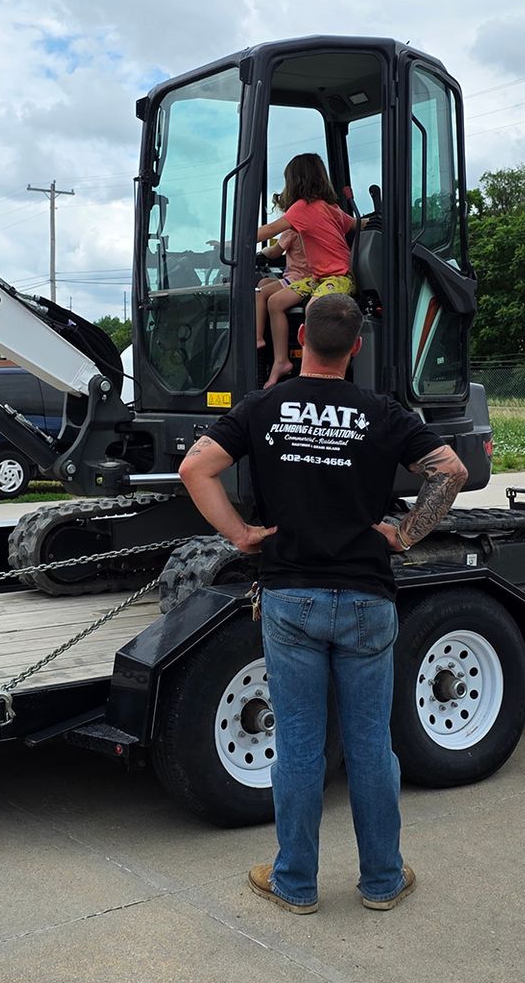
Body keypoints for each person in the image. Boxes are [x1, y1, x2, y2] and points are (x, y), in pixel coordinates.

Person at [178, 294, 470, 914]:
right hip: (367, 598)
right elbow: (451, 470)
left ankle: (296, 882)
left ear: (302, 336)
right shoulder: (383, 412)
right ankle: (383, 881)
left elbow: (195, 469)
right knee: (370, 745)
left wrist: (240, 535)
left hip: (290, 598)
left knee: (302, 744)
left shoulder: (261, 407)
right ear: (357, 348)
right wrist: (406, 531)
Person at [253, 153, 356, 387]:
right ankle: (281, 361)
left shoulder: (302, 208)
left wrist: (236, 236)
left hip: (339, 276)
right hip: (317, 278)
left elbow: (267, 232)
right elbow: (355, 224)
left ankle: (316, 367)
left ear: (296, 181)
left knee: (314, 307)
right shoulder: (332, 207)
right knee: (275, 302)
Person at [254, 199, 310, 357]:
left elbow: (274, 252)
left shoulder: (292, 230)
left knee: (259, 293)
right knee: (264, 282)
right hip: (304, 276)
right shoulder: (311, 226)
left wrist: (263, 251)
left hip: (297, 279)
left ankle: (257, 337)